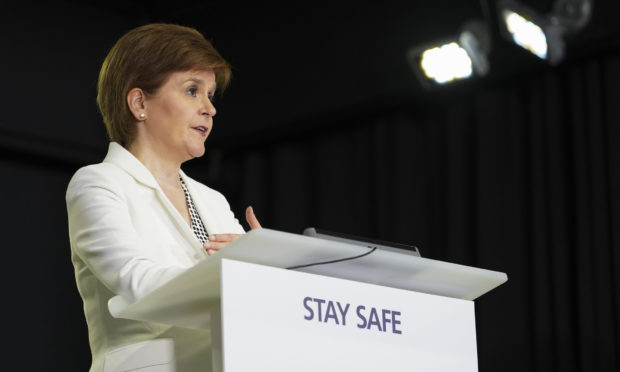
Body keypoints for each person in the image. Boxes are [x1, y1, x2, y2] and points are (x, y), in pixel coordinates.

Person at [66, 23, 260, 372]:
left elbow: (249, 303)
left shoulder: (213, 201)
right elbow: (137, 282)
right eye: (191, 90)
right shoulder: (98, 184)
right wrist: (235, 273)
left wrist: (268, 267)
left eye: (210, 94)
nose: (209, 108)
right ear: (140, 102)